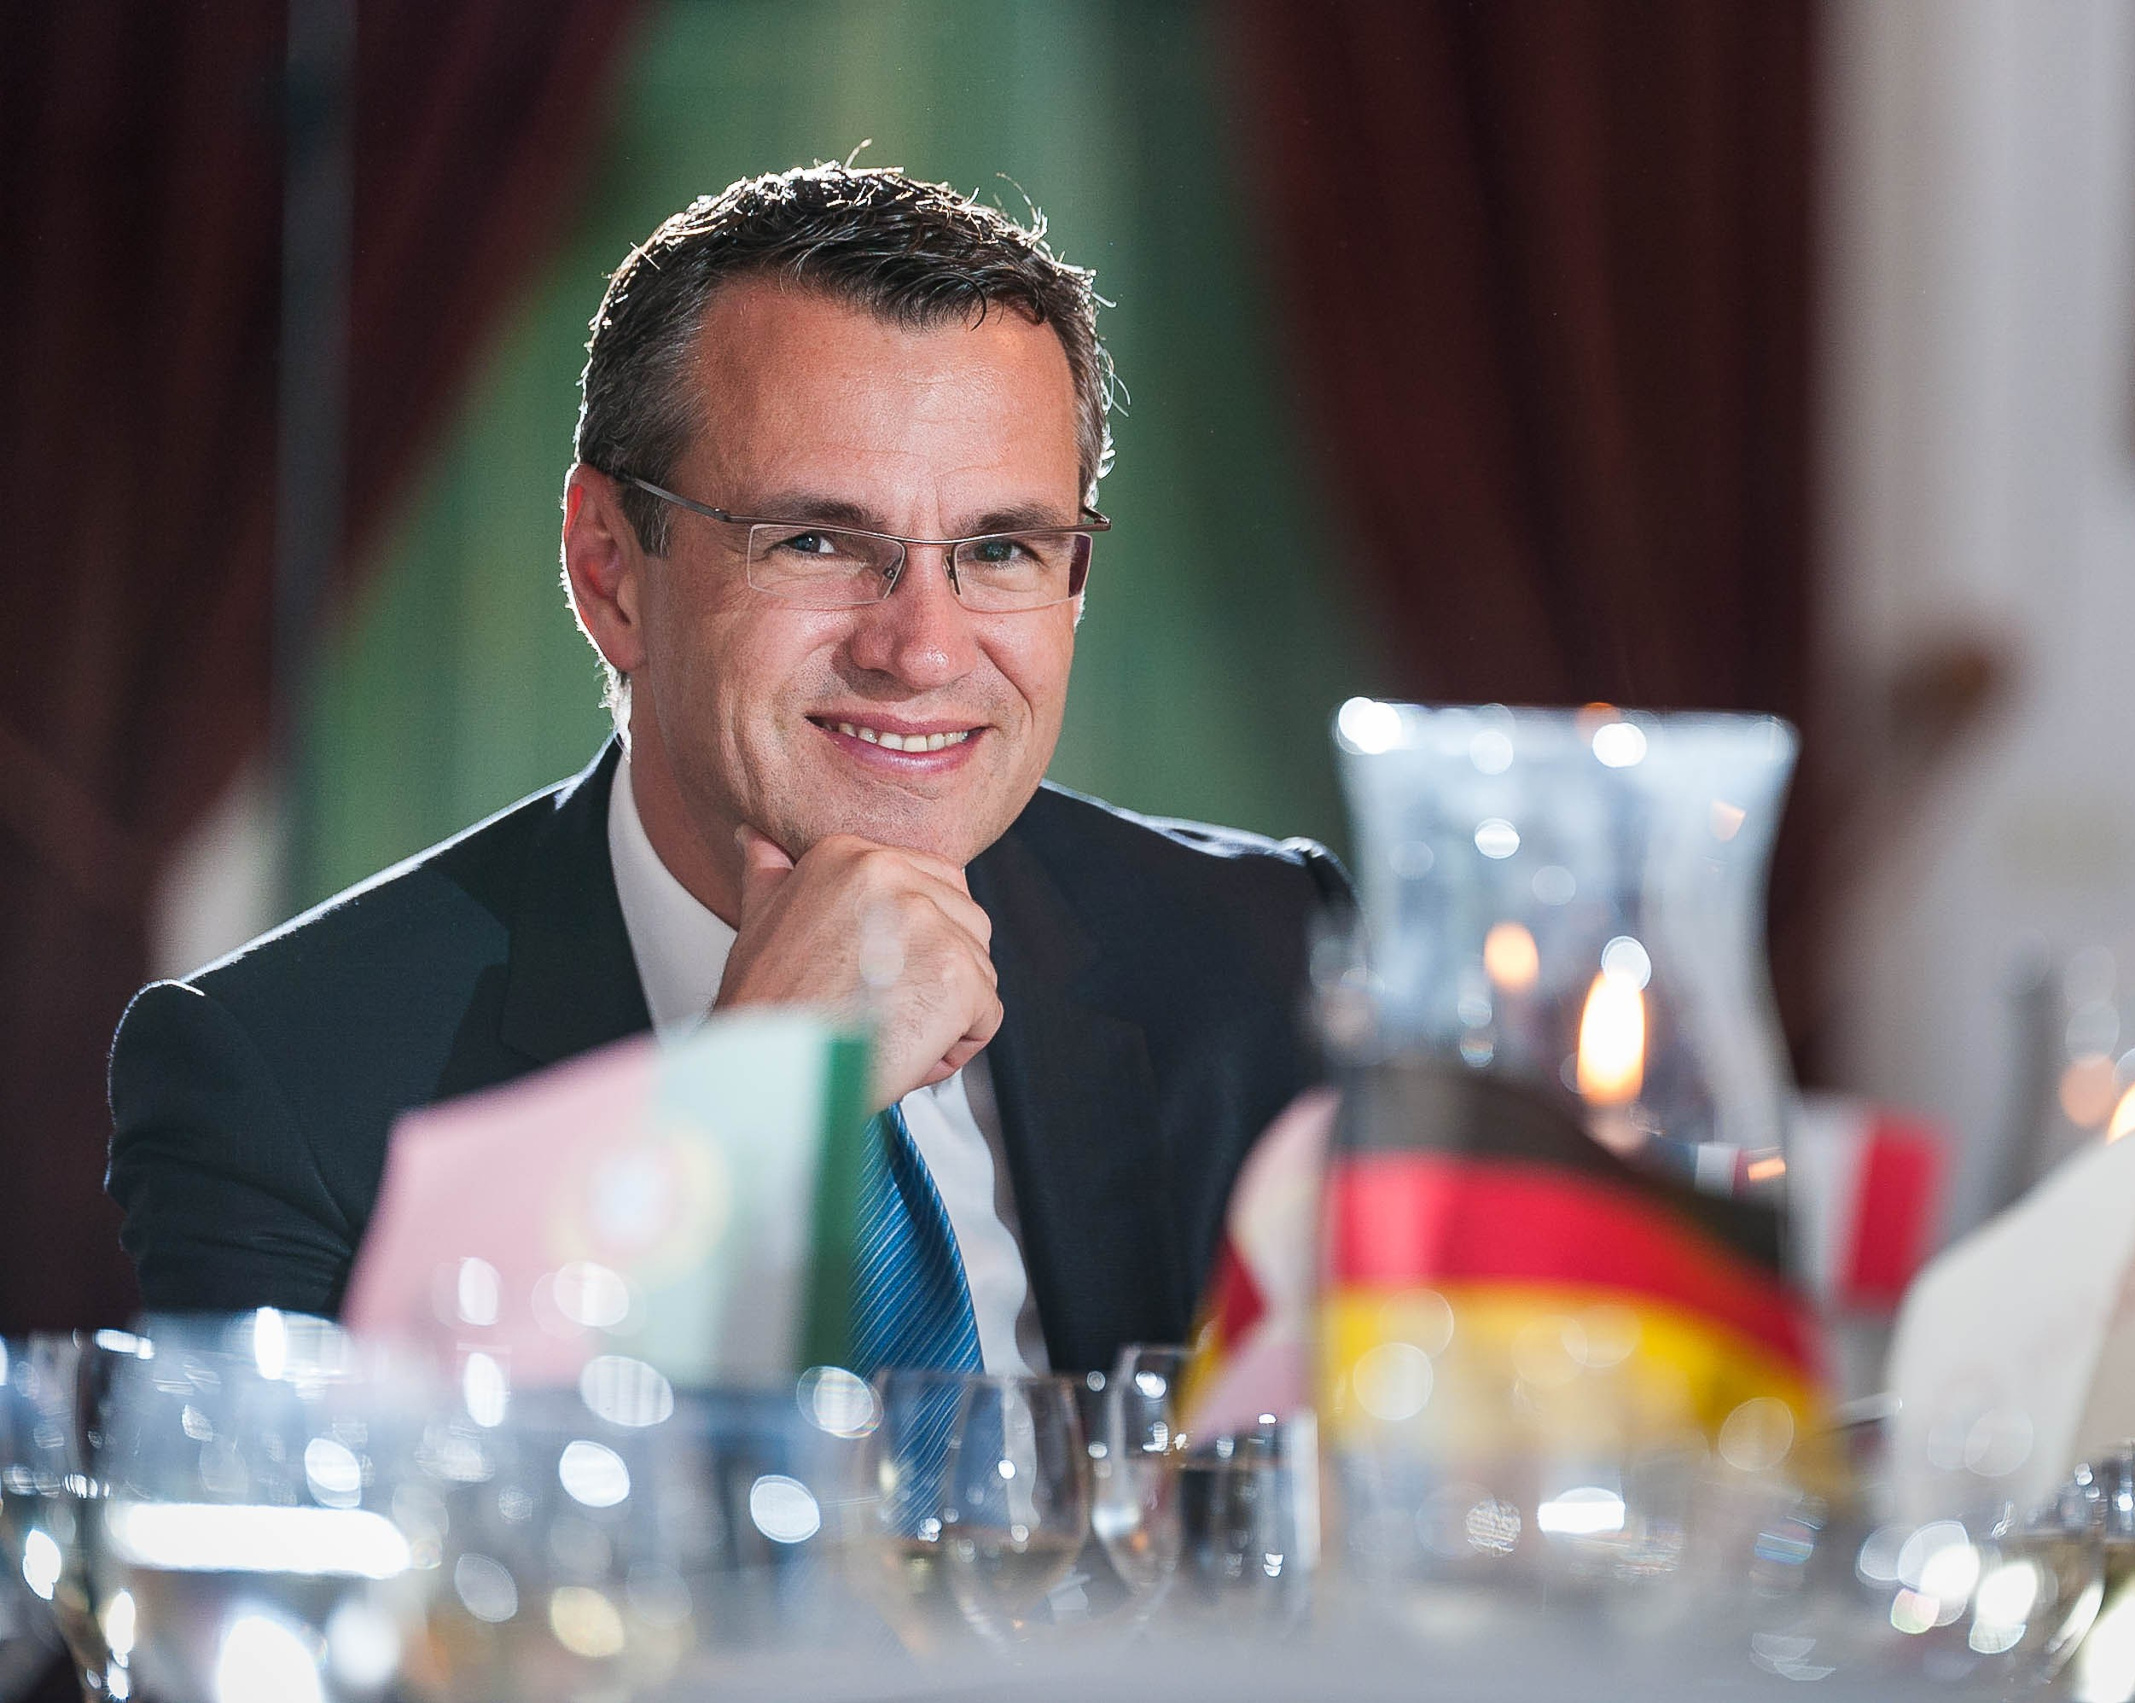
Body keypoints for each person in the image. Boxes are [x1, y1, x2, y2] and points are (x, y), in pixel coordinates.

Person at [106, 165, 1348, 1375]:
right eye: (814, 539)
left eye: (1005, 549)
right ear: (609, 570)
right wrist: (748, 1103)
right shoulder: (281, 1082)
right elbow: (362, 1570)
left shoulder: (1264, 963)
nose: (920, 647)